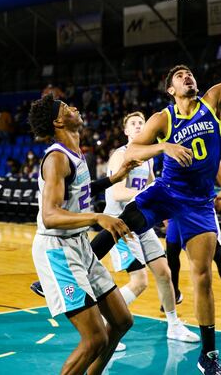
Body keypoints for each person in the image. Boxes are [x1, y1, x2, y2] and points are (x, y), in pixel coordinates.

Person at [91, 0, 221, 375]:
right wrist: (164, 146)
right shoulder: (162, 116)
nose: (188, 76)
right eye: (179, 75)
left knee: (202, 276)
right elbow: (133, 151)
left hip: (200, 203)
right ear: (171, 89)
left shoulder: (213, 102)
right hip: (167, 192)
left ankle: (209, 355)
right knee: (123, 219)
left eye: (189, 73)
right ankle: (79, 266)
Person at [29, 94, 139, 375]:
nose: (75, 108)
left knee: (121, 321)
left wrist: (113, 179)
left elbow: (81, 190)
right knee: (94, 338)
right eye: (67, 108)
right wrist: (98, 216)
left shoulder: (76, 153)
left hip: (80, 246)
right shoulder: (56, 158)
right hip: (58, 249)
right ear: (57, 120)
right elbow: (50, 215)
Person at [104, 111, 199, 343]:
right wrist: (146, 194)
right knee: (139, 282)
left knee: (165, 274)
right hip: (120, 224)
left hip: (141, 222)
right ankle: (105, 328)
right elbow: (117, 193)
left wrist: (164, 213)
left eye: (141, 123)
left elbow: (152, 189)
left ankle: (174, 325)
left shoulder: (148, 157)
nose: (138, 126)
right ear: (126, 131)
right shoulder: (121, 155)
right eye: (133, 124)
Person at [166, 162, 221, 321]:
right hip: (178, 209)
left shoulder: (210, 151)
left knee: (218, 256)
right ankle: (175, 293)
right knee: (171, 253)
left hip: (202, 211)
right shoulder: (176, 150)